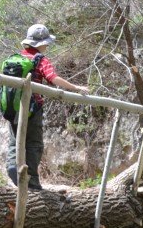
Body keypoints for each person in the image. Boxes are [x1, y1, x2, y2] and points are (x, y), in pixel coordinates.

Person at [6, 24, 90, 191]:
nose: (47, 46)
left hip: (13, 107)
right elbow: (53, 78)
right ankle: (32, 182)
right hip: (32, 107)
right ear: (41, 44)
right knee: (34, 144)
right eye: (46, 43)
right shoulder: (40, 59)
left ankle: (12, 169)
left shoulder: (16, 57)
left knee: (15, 142)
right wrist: (76, 88)